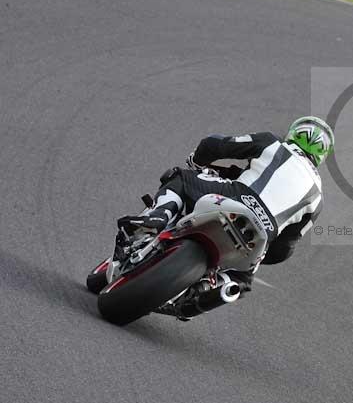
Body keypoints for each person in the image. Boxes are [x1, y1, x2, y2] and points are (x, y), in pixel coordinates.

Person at [116, 116, 334, 290]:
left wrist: (197, 161)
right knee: (240, 282)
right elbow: (285, 248)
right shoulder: (317, 198)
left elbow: (216, 144)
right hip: (263, 234)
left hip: (236, 196)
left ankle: (155, 218)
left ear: (294, 133)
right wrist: (263, 250)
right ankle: (215, 289)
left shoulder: (273, 143)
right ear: (322, 154)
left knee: (180, 178)